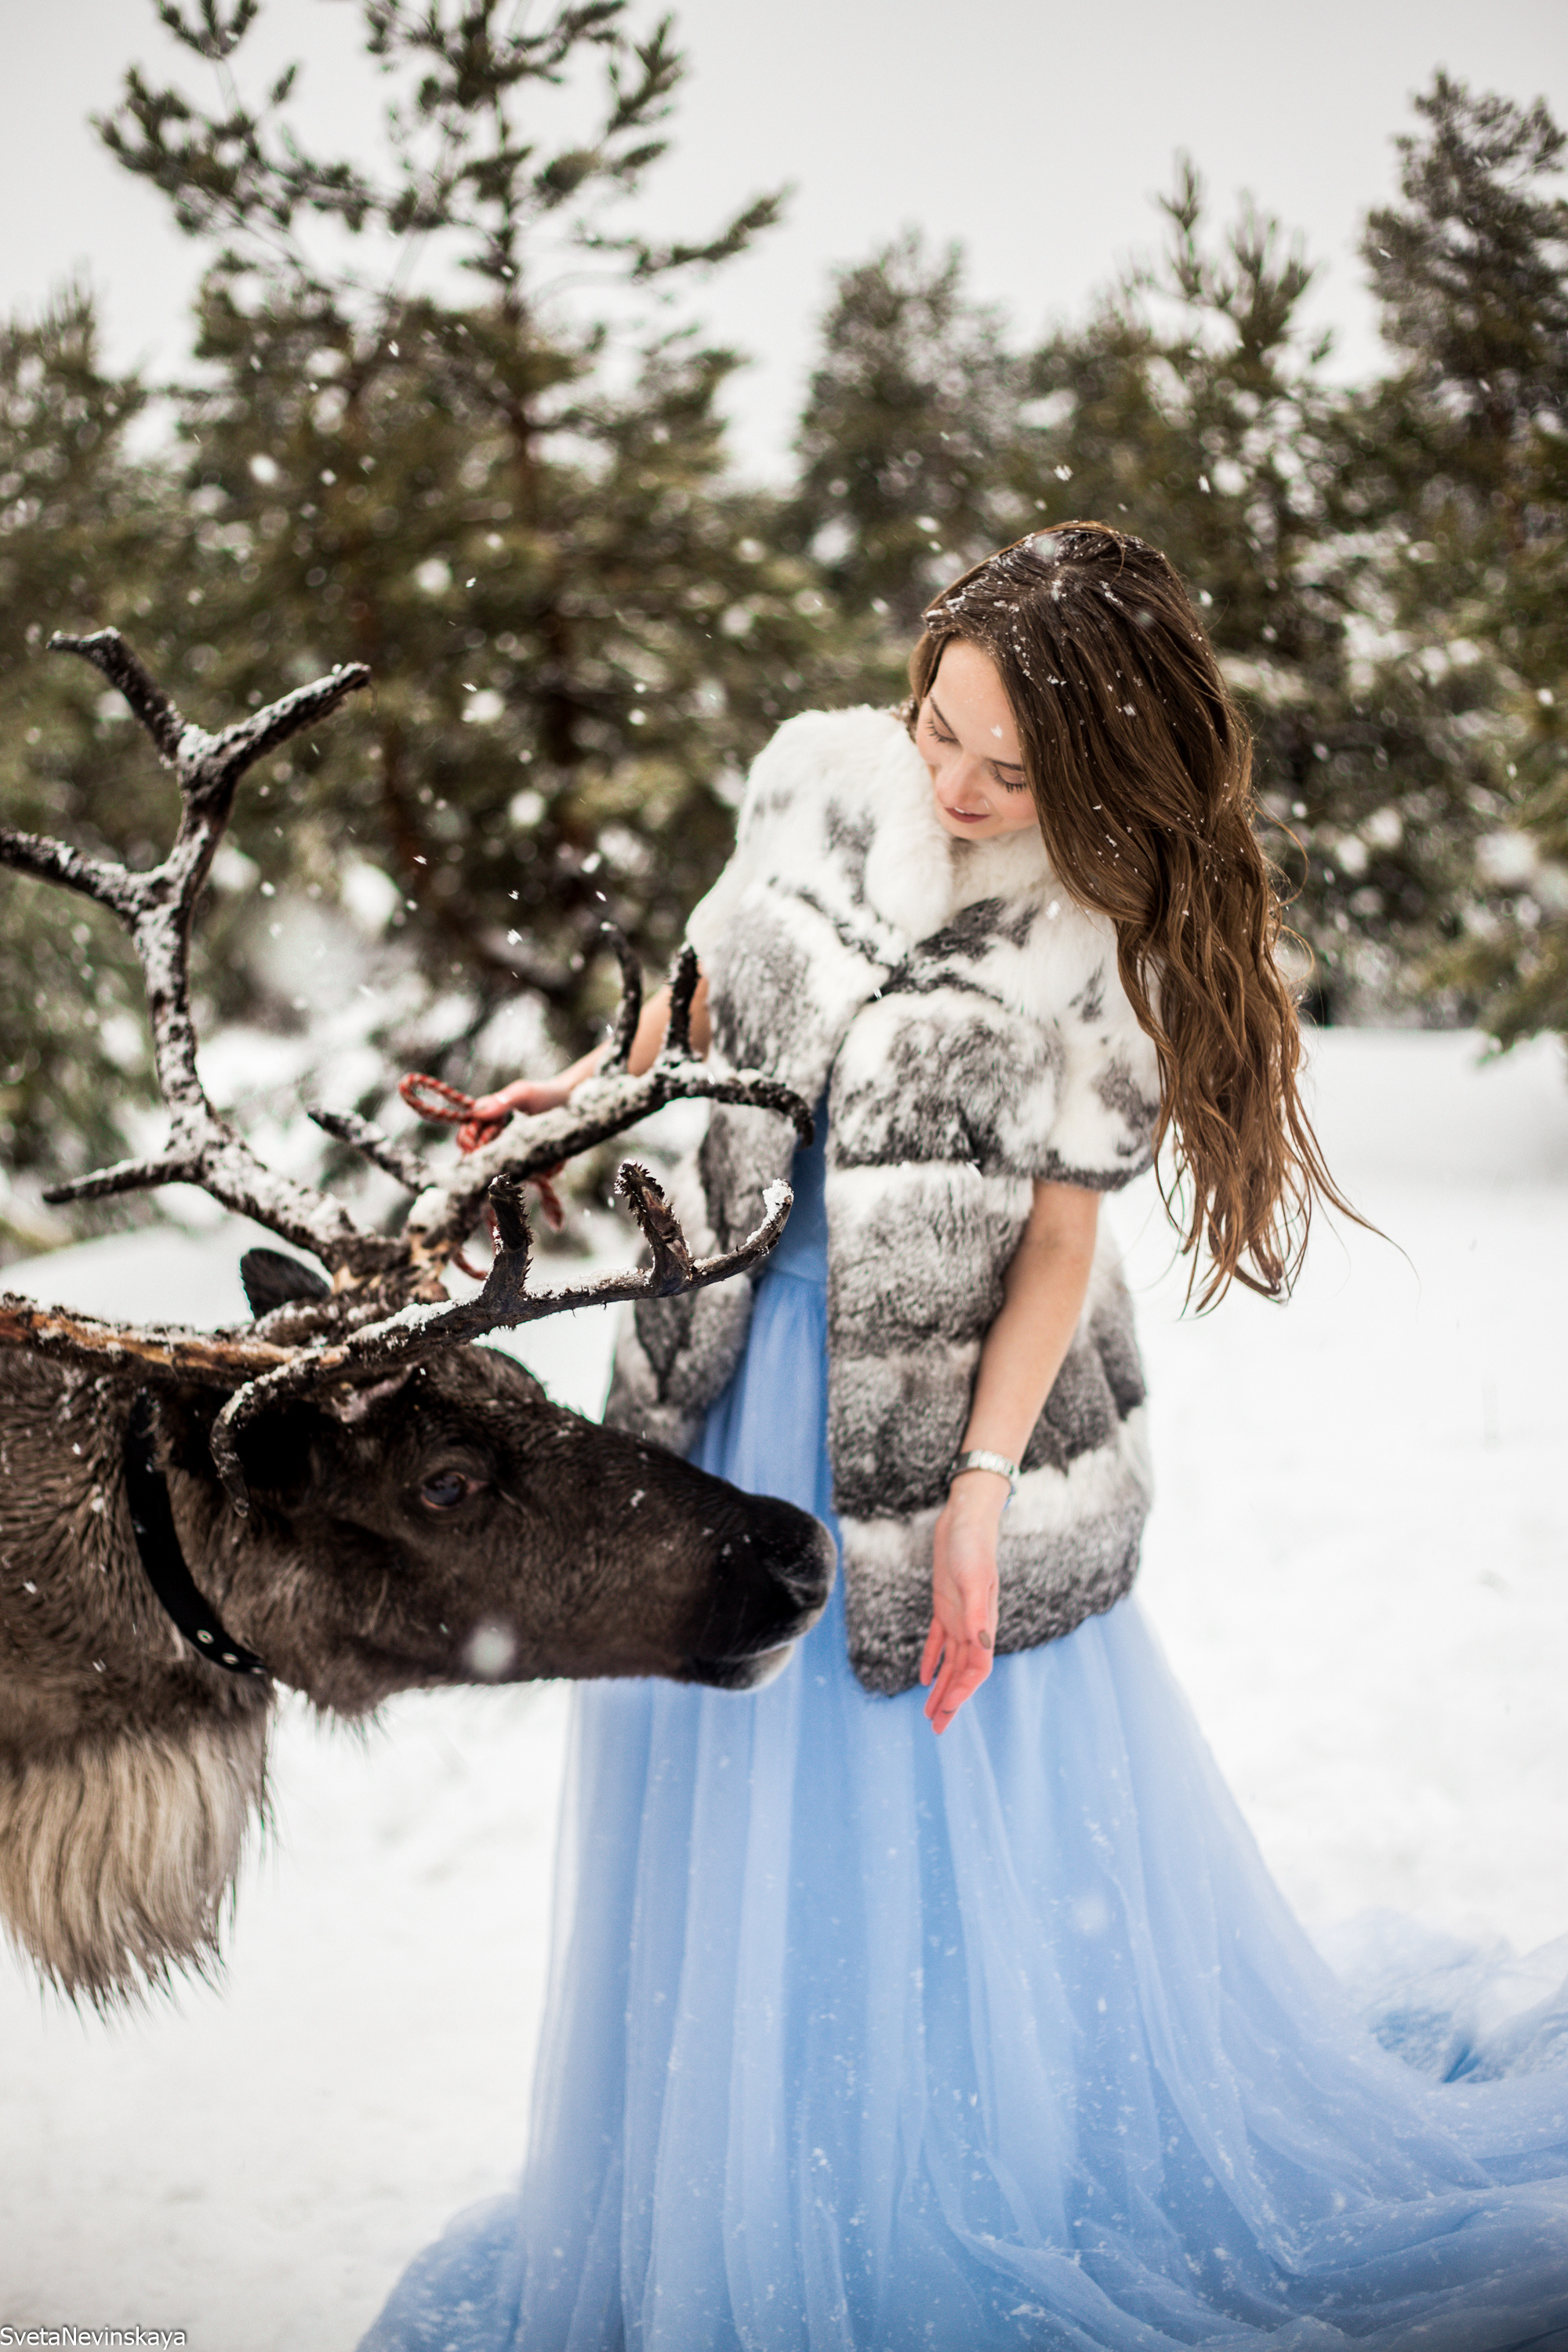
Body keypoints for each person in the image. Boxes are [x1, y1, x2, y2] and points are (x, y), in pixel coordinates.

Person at [362, 527, 1568, 2351]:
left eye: (1013, 769)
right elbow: (704, 1000)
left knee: (903, 1827)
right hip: (720, 1391)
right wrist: (579, 1089)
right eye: (942, 730)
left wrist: (982, 1496)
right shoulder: (810, 783)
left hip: (937, 1430)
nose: (958, 786)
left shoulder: (1097, 942)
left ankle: (912, 2190)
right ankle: (726, 2190)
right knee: (721, 1794)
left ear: (1094, 768)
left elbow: (1061, 1247)